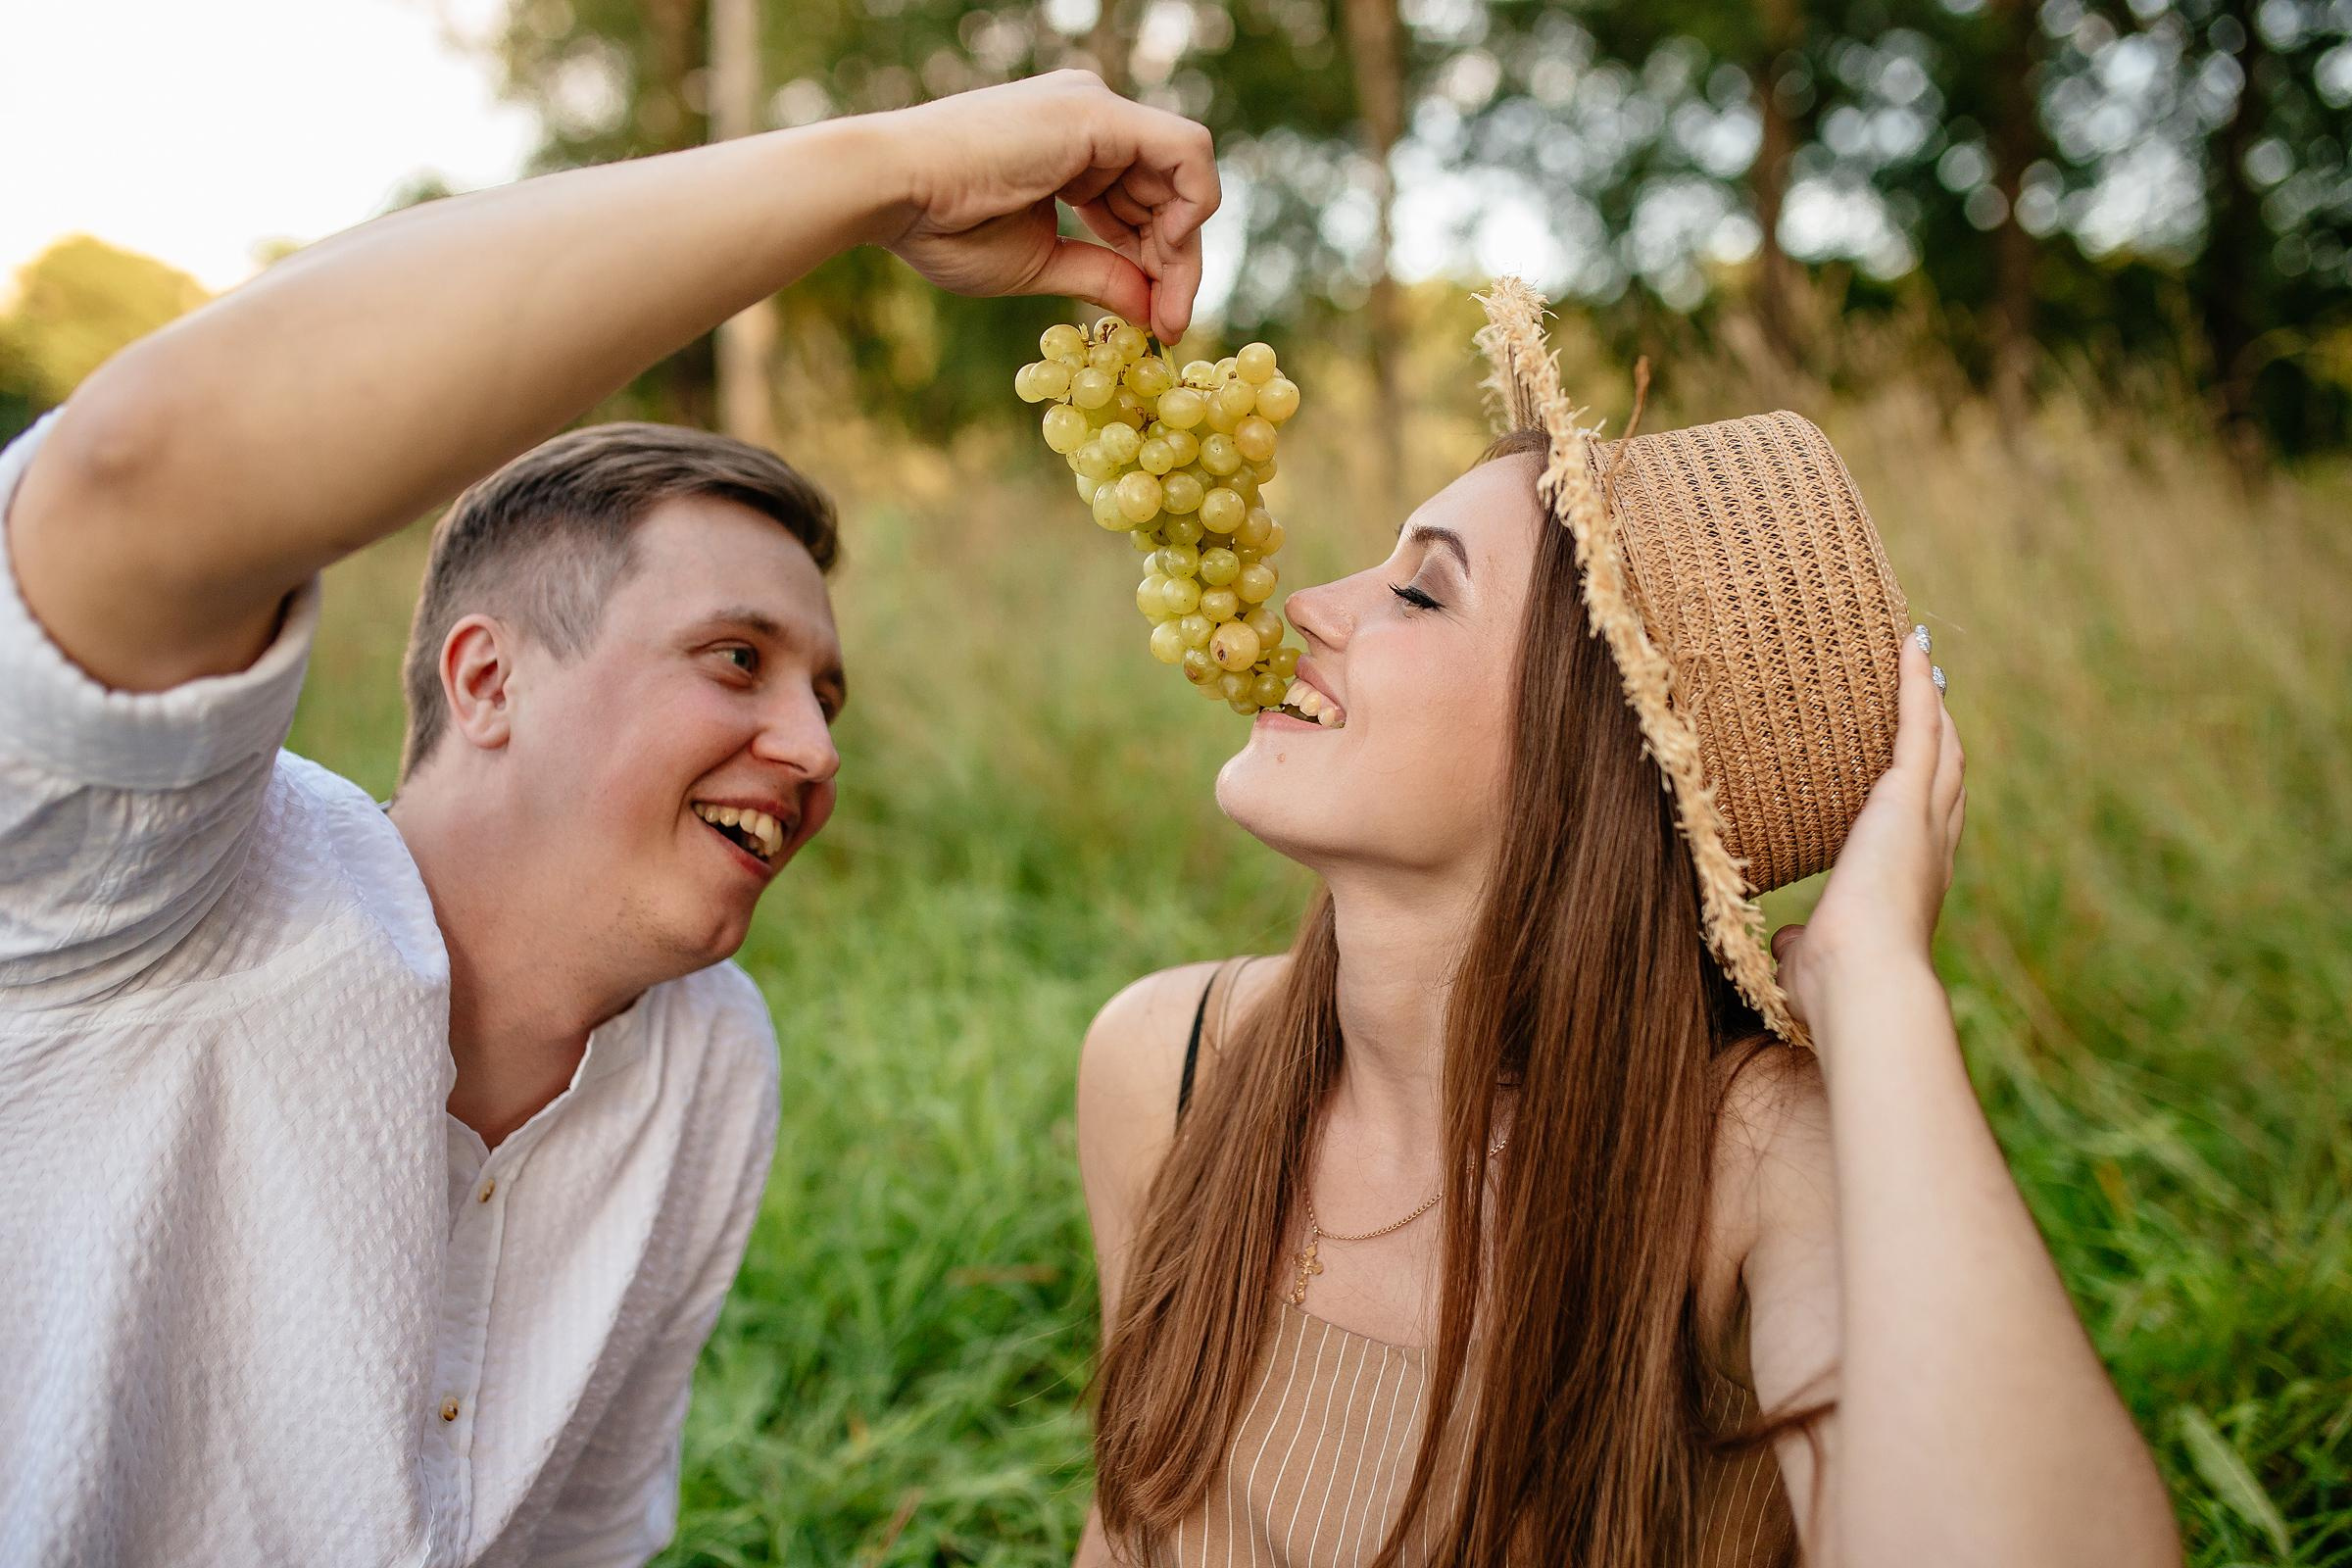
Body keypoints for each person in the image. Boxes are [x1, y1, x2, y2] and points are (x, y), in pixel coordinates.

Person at [0, 72, 1216, 1567]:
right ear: (490, 678)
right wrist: (892, 170)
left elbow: (578, 1538)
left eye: (828, 695)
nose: (813, 748)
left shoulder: (706, 1062)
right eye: (735, 660)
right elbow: (137, 470)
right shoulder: (169, 900)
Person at [1073, 282, 2180, 1567]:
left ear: (1595, 749)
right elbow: (1126, 1536)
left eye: (1420, 595)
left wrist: (1874, 981)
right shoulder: (1170, 1064)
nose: (1309, 603)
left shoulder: (1756, 1164)